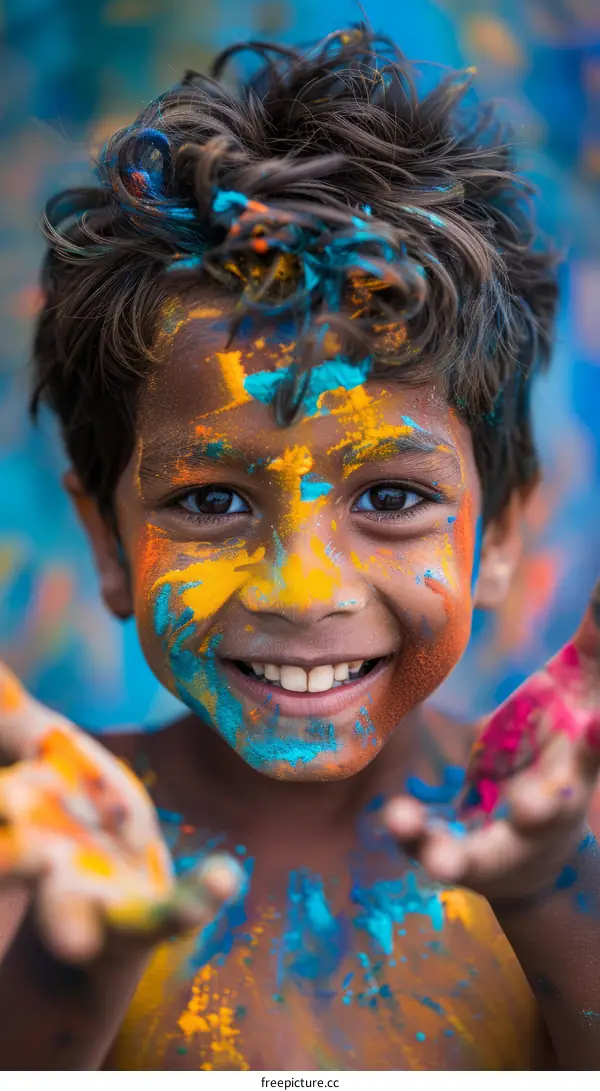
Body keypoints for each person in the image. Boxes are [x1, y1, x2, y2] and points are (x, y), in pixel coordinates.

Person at [0, 24, 599, 1072]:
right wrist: (66, 979)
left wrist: (550, 898)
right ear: (106, 536)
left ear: (497, 533)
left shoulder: (568, 839)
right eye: (213, 500)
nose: (302, 587)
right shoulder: (38, 854)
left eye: (394, 494)